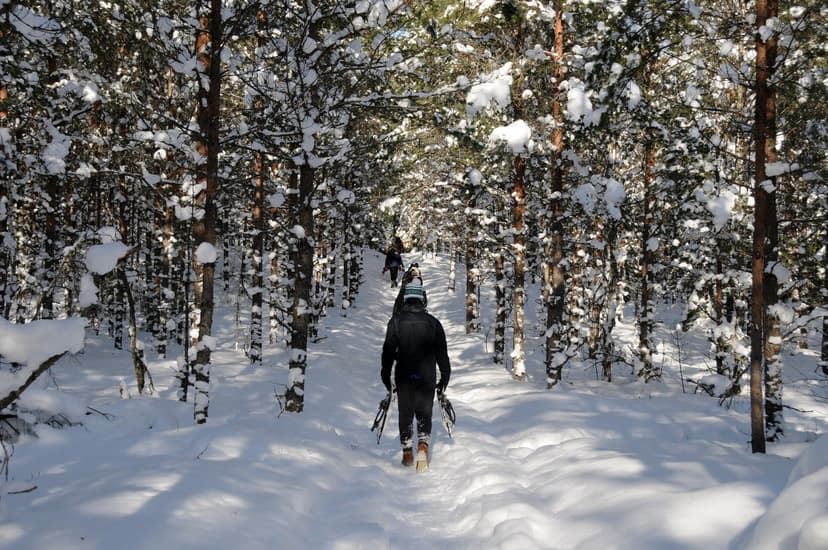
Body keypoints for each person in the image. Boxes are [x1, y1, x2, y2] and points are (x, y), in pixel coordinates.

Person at [381, 278, 450, 472]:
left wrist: (386, 377)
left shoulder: (394, 322)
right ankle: (422, 447)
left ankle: (407, 453)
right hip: (427, 375)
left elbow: (387, 353)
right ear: (422, 299)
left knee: (406, 412)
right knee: (424, 412)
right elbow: (442, 355)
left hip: (403, 375)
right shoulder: (434, 324)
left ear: (405, 299)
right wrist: (444, 379)